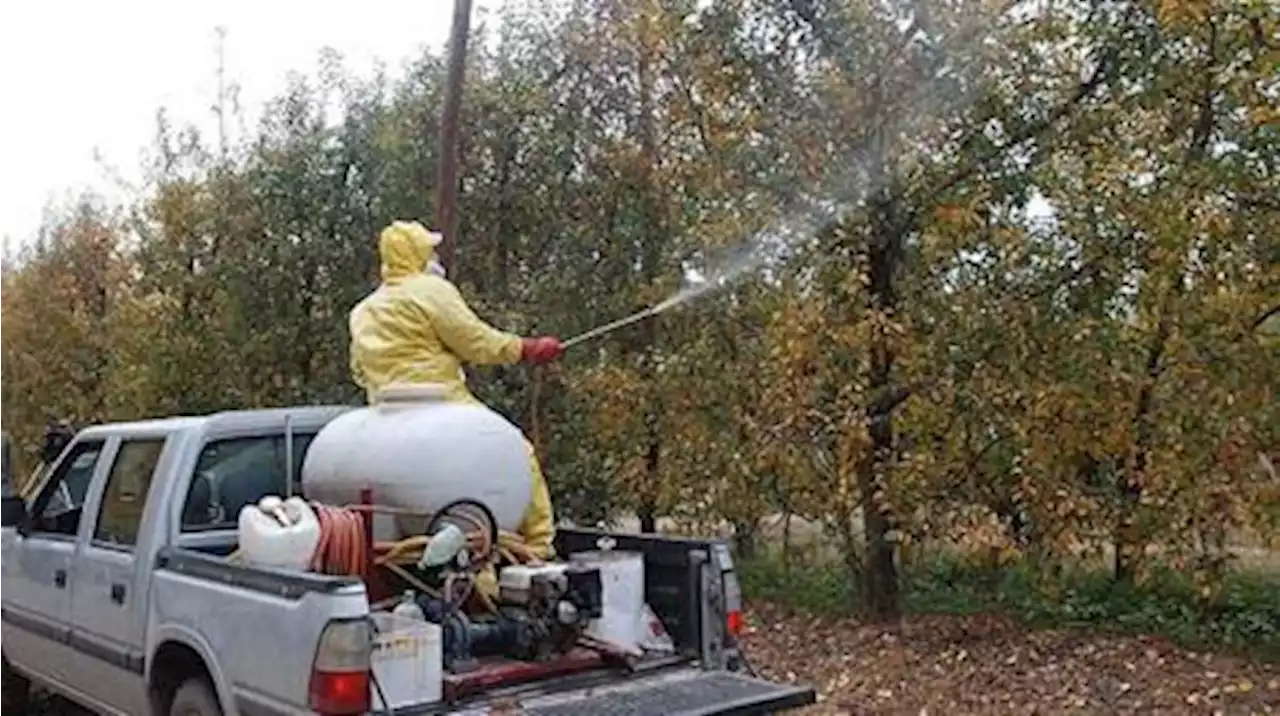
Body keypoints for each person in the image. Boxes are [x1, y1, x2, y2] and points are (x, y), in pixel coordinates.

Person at [348, 220, 564, 559]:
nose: (434, 255)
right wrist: (525, 348)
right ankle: (538, 548)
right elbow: (475, 341)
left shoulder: (363, 310)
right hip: (442, 404)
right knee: (518, 454)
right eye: (429, 249)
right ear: (418, 254)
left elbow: (359, 371)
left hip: (385, 412)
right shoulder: (430, 291)